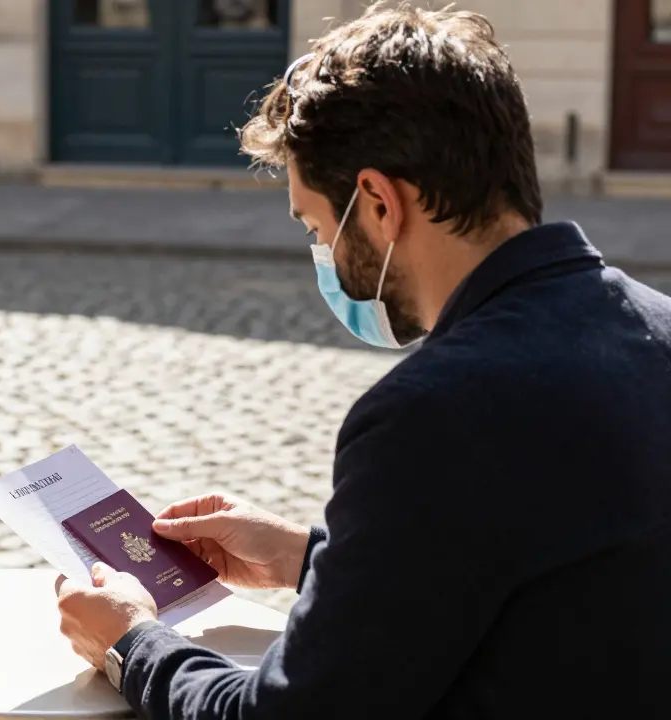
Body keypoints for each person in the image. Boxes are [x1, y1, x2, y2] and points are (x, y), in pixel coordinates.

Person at [56, 3, 671, 718]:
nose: (322, 258)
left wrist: (131, 640)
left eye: (318, 227)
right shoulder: (656, 327)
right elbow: (548, 574)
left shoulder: (433, 413)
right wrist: (315, 556)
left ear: (378, 203)